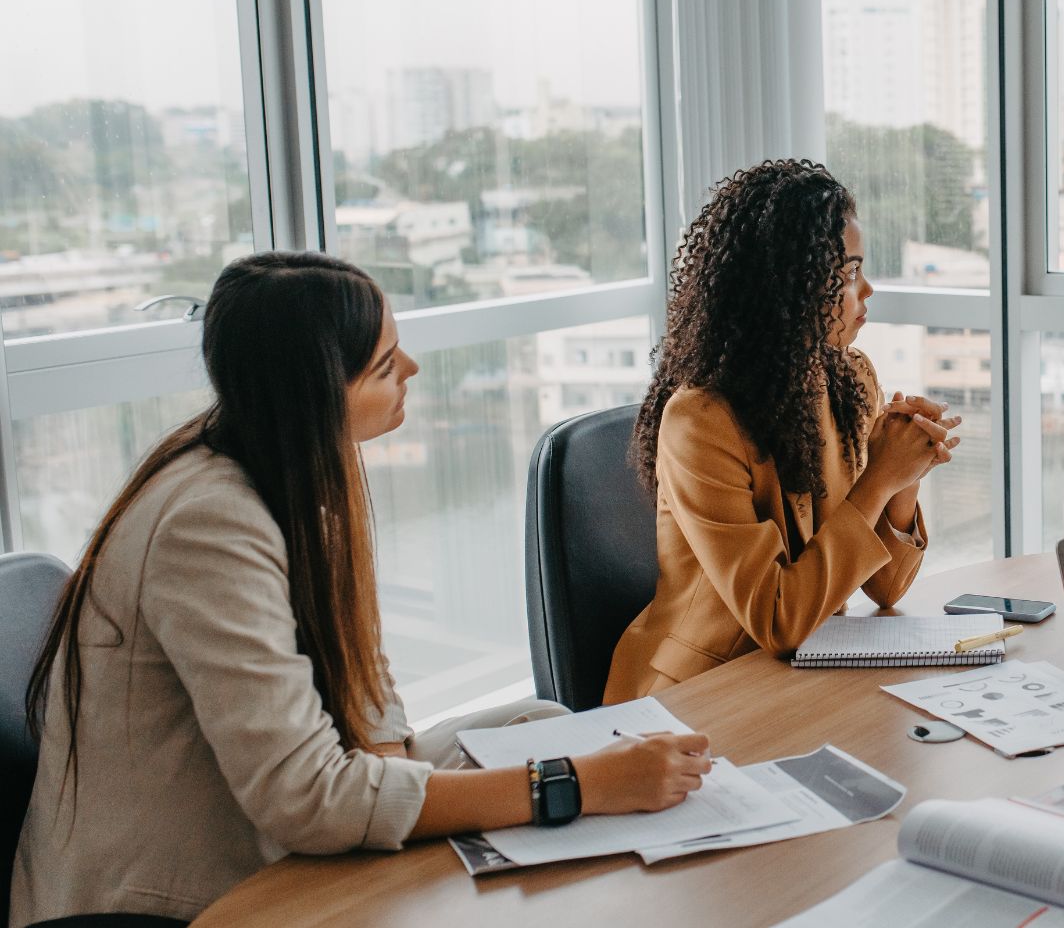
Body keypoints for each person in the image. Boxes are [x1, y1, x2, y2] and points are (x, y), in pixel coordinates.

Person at [10, 253, 712, 927]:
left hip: (265, 824)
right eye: (383, 364)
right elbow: (307, 797)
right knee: (560, 774)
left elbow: (370, 707)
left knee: (536, 721)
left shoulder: (293, 470)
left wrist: (423, 782)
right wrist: (576, 784)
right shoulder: (208, 523)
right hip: (168, 900)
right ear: (318, 393)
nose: (410, 369)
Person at [606, 159, 962, 701]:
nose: (867, 289)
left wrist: (902, 480)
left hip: (799, 677)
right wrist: (876, 481)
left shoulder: (849, 379)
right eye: (846, 273)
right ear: (786, 287)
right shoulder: (701, 420)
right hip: (697, 694)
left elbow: (888, 588)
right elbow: (775, 619)